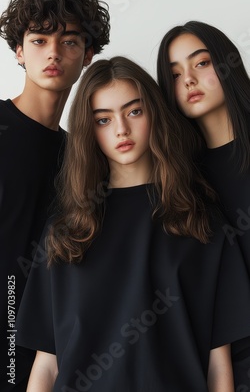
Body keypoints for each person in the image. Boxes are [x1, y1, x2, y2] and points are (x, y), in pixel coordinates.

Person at [15, 56, 250, 391]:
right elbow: (46, 365)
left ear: (154, 113)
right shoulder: (65, 232)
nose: (121, 129)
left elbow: (219, 362)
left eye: (134, 111)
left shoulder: (201, 223)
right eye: (103, 120)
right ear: (88, 130)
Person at [0, 0, 110, 391]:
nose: (52, 52)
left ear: (87, 56)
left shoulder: (83, 156)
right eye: (39, 39)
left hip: (41, 340)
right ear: (19, 51)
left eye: (68, 41)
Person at [156, 20, 250, 390]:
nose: (189, 80)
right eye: (175, 74)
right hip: (232, 361)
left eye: (201, 63)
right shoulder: (178, 180)